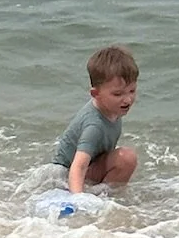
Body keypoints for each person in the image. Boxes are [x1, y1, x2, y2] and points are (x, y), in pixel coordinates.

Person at [53, 46, 139, 194]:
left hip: (83, 169)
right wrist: (78, 200)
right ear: (96, 94)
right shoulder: (94, 125)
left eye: (132, 91)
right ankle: (101, 199)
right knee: (126, 159)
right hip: (65, 176)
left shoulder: (112, 109)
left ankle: (103, 197)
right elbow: (78, 166)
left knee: (124, 159)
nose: (128, 99)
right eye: (118, 94)